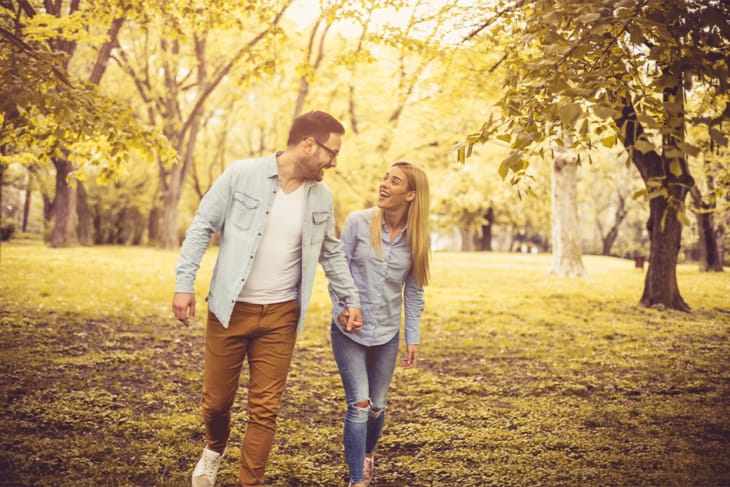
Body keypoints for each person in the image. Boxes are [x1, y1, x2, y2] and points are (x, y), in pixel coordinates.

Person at [172, 110, 363, 487]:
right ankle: (214, 448)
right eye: (331, 152)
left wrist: (350, 298)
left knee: (264, 410)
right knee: (216, 404)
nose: (334, 161)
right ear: (309, 144)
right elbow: (201, 227)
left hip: (280, 316)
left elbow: (331, 251)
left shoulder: (321, 195)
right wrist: (183, 282)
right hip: (230, 310)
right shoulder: (242, 175)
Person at [328, 161, 430, 487]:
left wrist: (412, 337)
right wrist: (344, 307)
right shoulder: (359, 223)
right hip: (350, 331)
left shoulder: (417, 240)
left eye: (395, 181)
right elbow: (338, 271)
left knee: (377, 405)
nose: (384, 184)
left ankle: (368, 452)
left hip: (386, 334)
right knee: (358, 402)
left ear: (411, 194)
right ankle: (357, 479)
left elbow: (414, 291)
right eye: (384, 177)